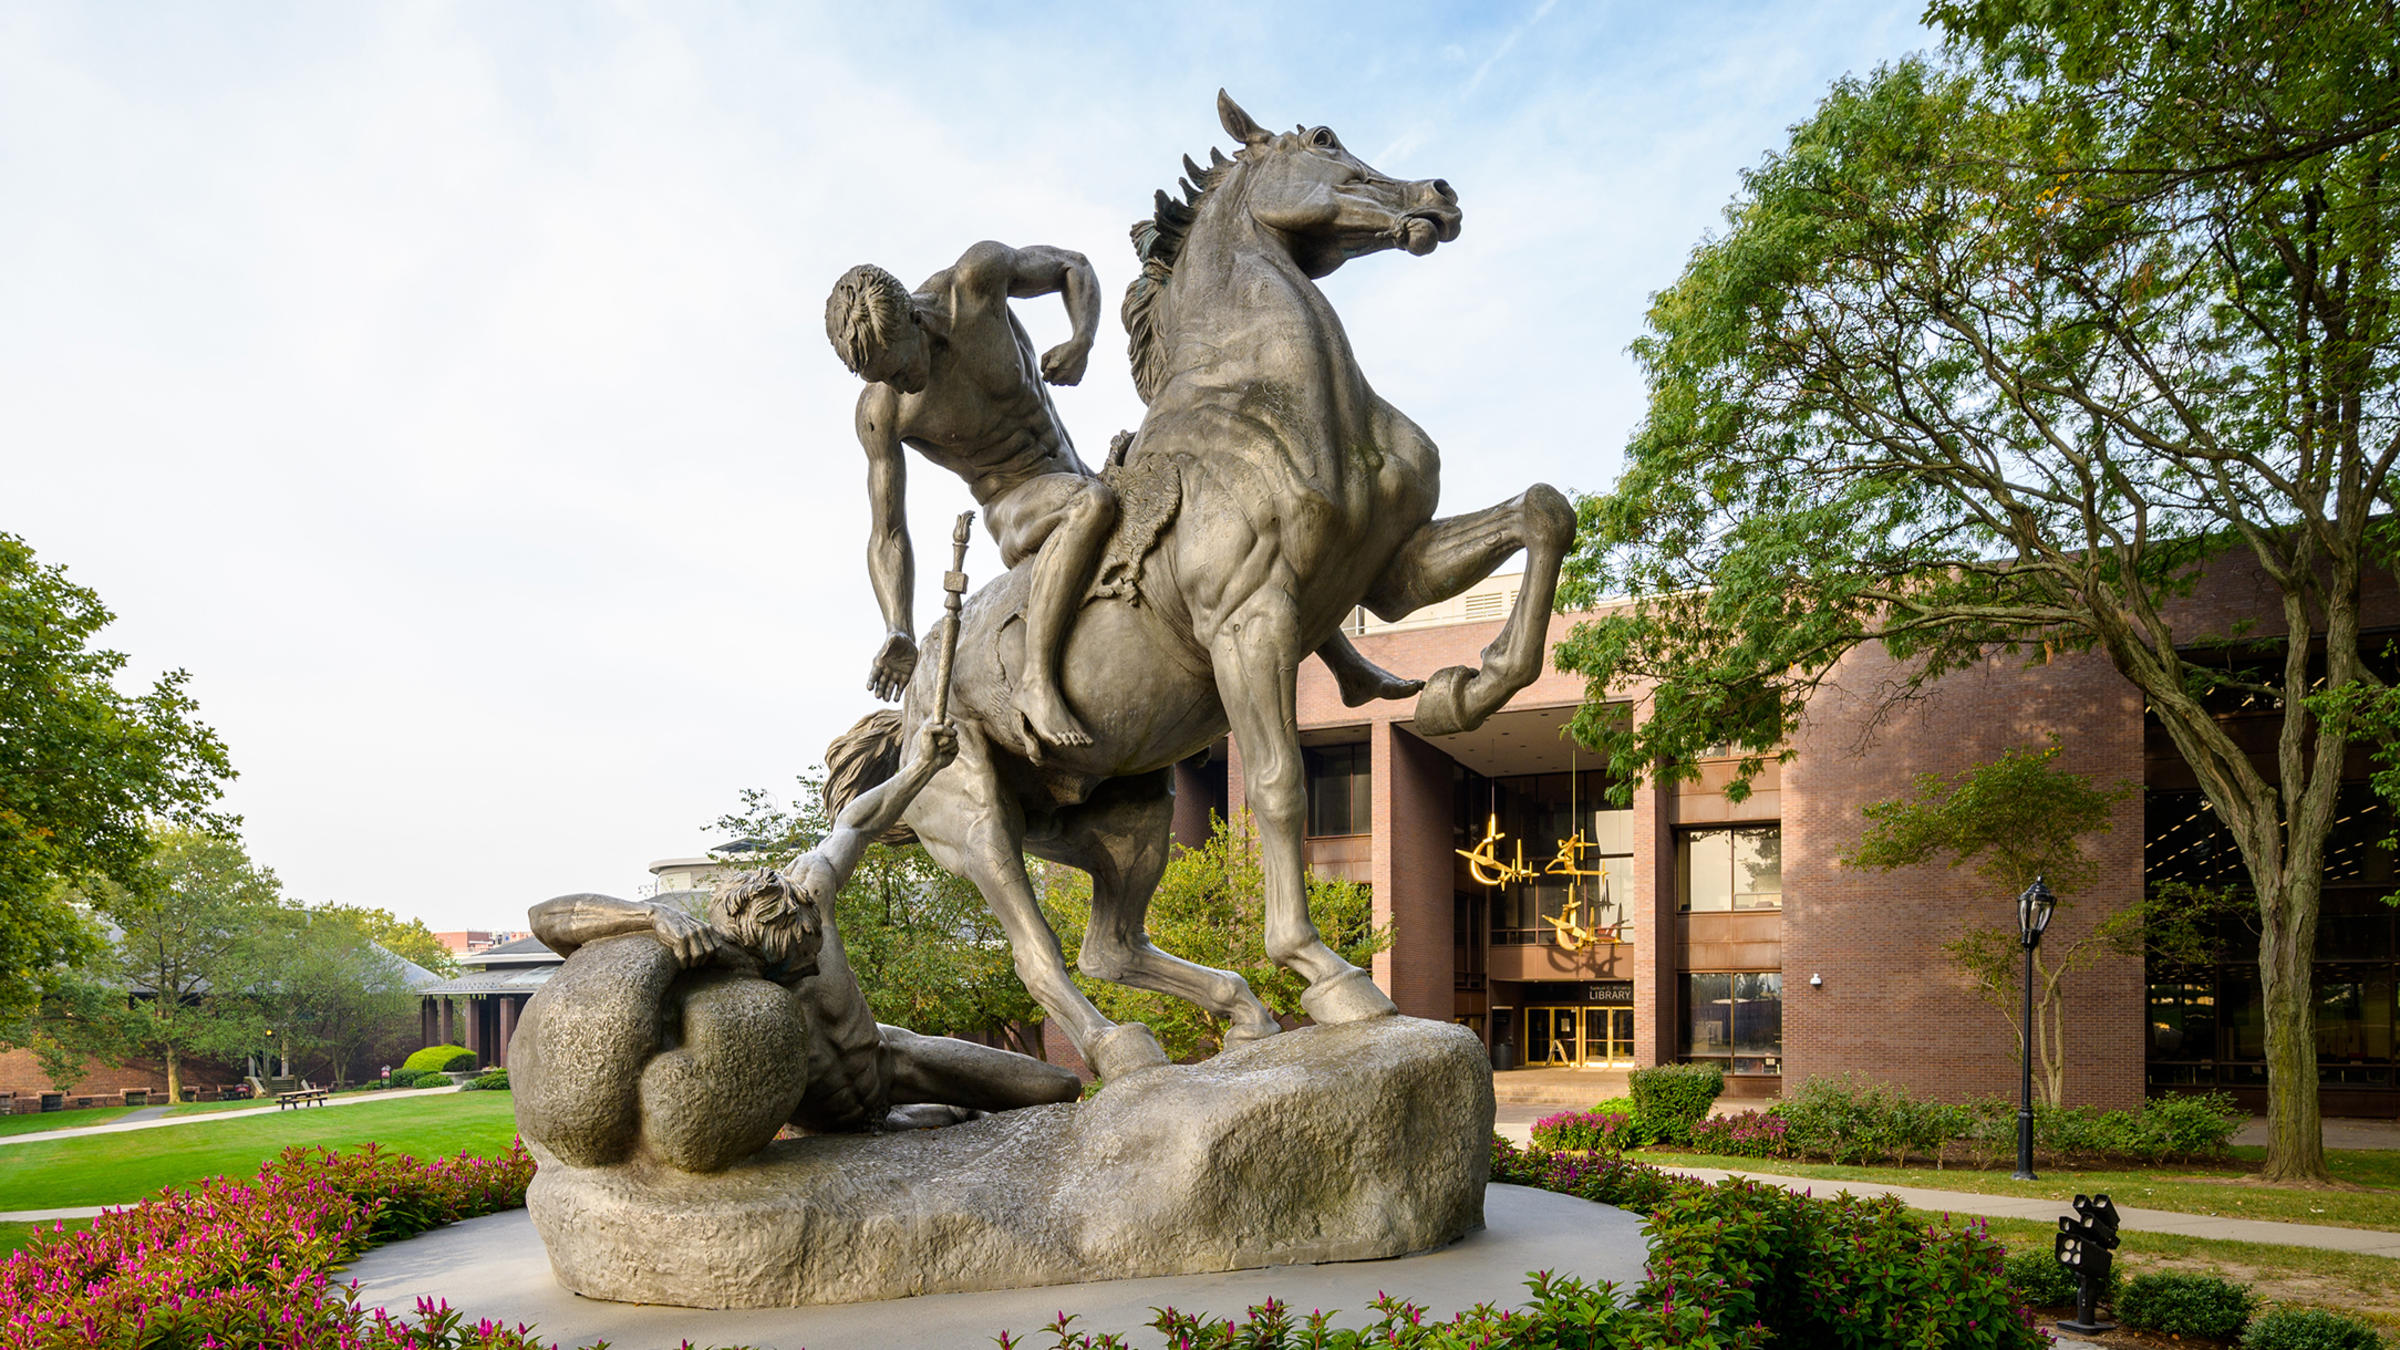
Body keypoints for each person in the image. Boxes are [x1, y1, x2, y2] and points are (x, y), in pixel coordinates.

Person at [826, 244, 1421, 756]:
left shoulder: (975, 284)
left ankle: (1345, 665)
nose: (900, 382)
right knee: (1089, 507)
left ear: (910, 315)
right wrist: (896, 627)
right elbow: (888, 532)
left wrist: (1080, 339)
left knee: (1219, 521)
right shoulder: (883, 411)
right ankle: (1036, 680)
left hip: (1077, 469)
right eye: (881, 376)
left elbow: (1072, 267)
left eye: (900, 364)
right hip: (1014, 506)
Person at [528, 718, 1080, 1135]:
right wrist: (650, 915)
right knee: (912, 1129)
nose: (817, 965)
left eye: (816, 948)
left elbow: (857, 823)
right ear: (755, 962)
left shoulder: (811, 885)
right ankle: (942, 1119)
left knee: (1059, 1086)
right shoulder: (709, 964)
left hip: (894, 1062)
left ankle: (948, 1111)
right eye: (800, 968)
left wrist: (921, 769)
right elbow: (547, 919)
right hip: (834, 1126)